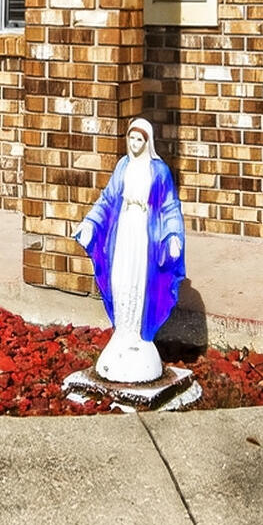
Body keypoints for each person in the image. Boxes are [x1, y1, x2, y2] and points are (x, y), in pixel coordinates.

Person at [73, 118, 187, 384]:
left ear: (147, 142)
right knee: (120, 278)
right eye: (131, 139)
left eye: (140, 140)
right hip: (123, 231)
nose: (135, 145)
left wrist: (172, 236)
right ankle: (122, 330)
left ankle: (137, 333)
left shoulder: (158, 171)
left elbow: (170, 206)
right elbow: (108, 198)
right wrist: (91, 223)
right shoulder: (123, 166)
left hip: (144, 234)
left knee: (140, 280)